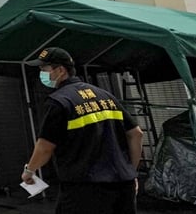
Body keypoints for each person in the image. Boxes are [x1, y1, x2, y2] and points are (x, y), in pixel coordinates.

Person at [21, 47, 144, 213]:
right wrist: (130, 171)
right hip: (123, 187)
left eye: (44, 69)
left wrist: (29, 171)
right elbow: (136, 134)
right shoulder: (105, 95)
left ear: (60, 70)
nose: (41, 73)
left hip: (85, 190)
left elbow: (45, 148)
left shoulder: (59, 102)